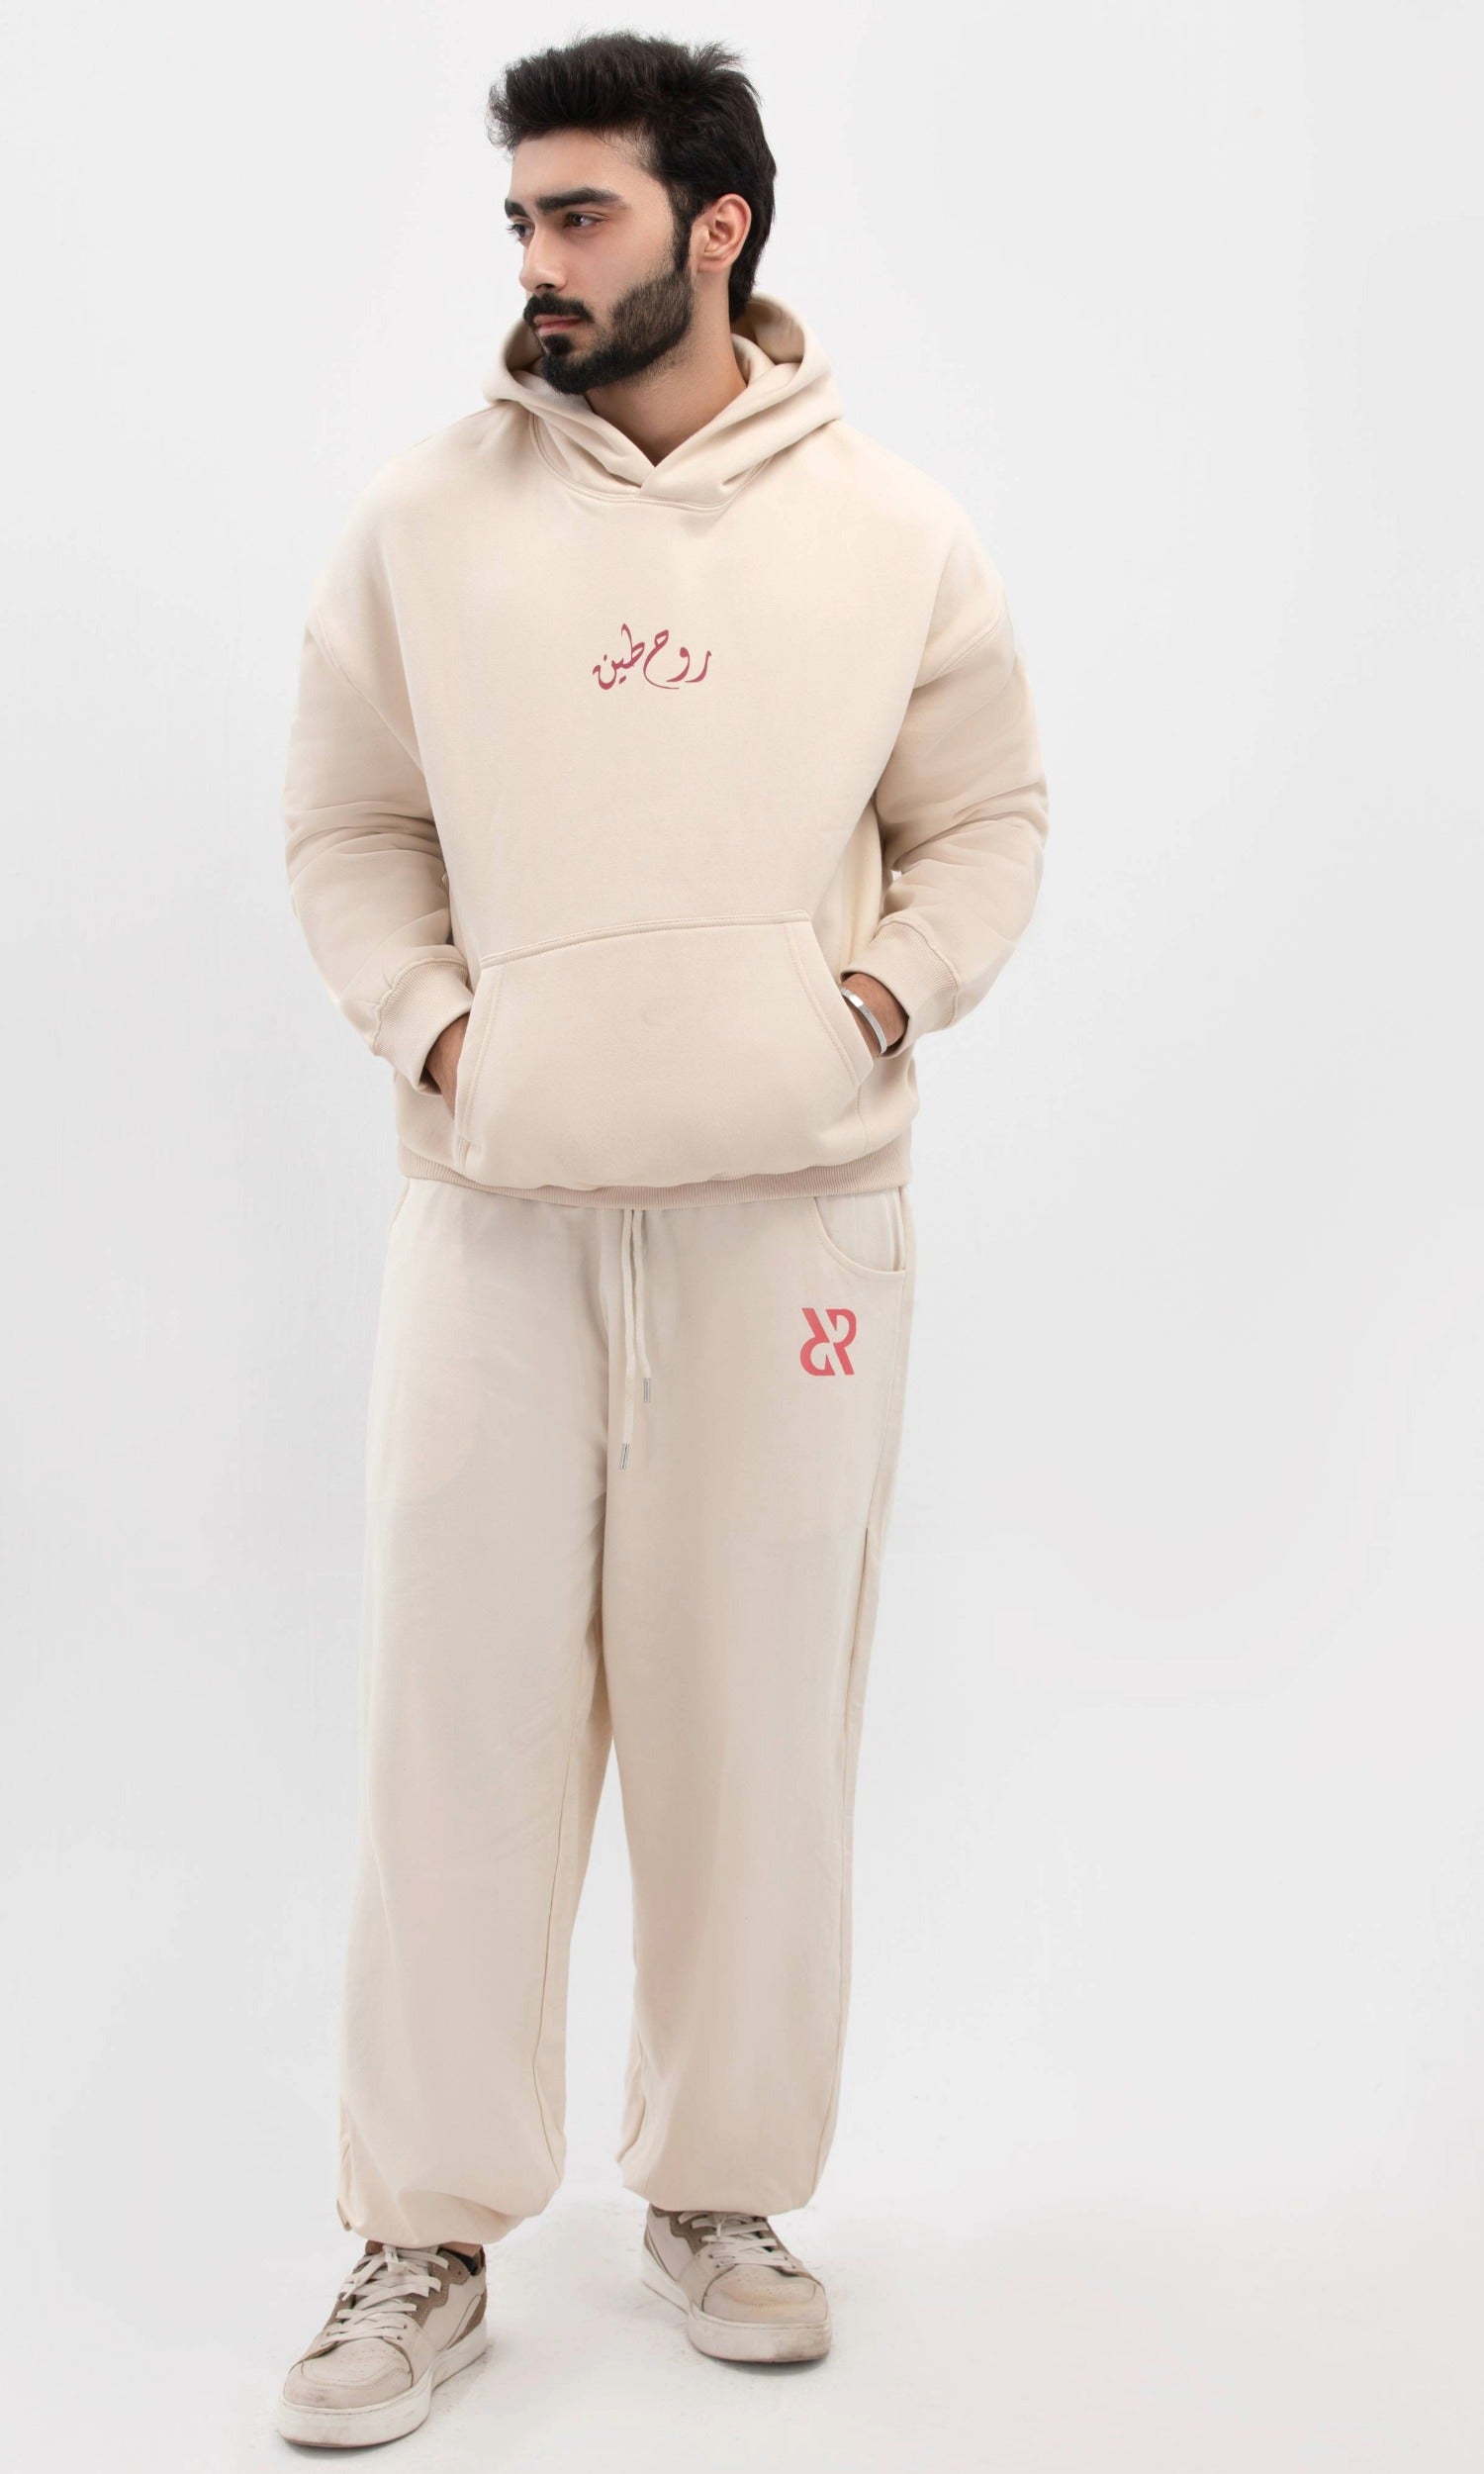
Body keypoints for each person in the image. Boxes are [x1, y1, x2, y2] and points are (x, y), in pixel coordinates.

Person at [275, 28, 1049, 2449]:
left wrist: (871, 997)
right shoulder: (425, 522)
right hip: (495, 1221)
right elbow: (348, 825)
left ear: (719, 227)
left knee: (758, 1727)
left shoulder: (893, 531)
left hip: (791, 1226)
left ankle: (723, 2193)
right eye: (522, 215)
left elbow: (988, 817)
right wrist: (443, 1035)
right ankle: (422, 2233)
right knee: (453, 1735)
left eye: (580, 212)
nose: (536, 256)